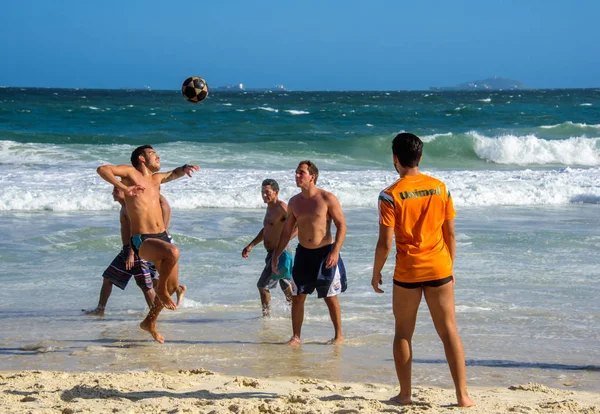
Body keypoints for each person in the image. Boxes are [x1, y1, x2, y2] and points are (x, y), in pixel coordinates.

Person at [371, 133, 475, 407]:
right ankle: (462, 396)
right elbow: (450, 234)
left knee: (403, 333)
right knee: (449, 330)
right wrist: (448, 268)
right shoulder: (440, 188)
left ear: (396, 159)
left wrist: (376, 271)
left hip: (408, 272)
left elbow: (385, 243)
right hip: (440, 266)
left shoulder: (390, 195)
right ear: (420, 157)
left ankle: (405, 395)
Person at [96, 145, 199, 343]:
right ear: (141, 158)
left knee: (171, 287)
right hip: (142, 239)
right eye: (152, 153)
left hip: (161, 236)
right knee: (173, 252)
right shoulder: (130, 173)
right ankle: (158, 289)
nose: (157, 156)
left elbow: (172, 174)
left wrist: (184, 168)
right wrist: (125, 189)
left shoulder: (156, 179)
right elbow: (102, 169)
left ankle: (149, 323)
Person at [272, 161, 347, 346]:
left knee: (329, 297)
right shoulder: (294, 202)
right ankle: (296, 337)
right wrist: (276, 255)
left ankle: (338, 335)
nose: (297, 176)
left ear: (312, 176)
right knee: (298, 297)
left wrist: (335, 251)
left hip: (325, 254)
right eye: (296, 173)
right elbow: (287, 232)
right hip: (303, 254)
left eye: (301, 173)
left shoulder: (327, 198)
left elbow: (342, 226)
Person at [83, 189, 184, 316]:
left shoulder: (131, 208)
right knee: (110, 278)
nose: (112, 193)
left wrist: (131, 254)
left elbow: (135, 233)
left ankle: (154, 316)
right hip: (127, 250)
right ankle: (100, 309)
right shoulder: (125, 207)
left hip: (135, 250)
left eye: (116, 190)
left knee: (146, 285)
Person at [242, 179, 296, 316]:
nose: (264, 195)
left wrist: (284, 242)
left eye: (267, 192)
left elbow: (299, 226)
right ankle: (295, 311)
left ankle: (266, 317)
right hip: (272, 253)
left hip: (280, 253)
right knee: (285, 285)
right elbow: (266, 229)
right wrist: (251, 245)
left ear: (276, 192)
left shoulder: (282, 207)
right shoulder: (270, 207)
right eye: (262, 192)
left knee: (262, 285)